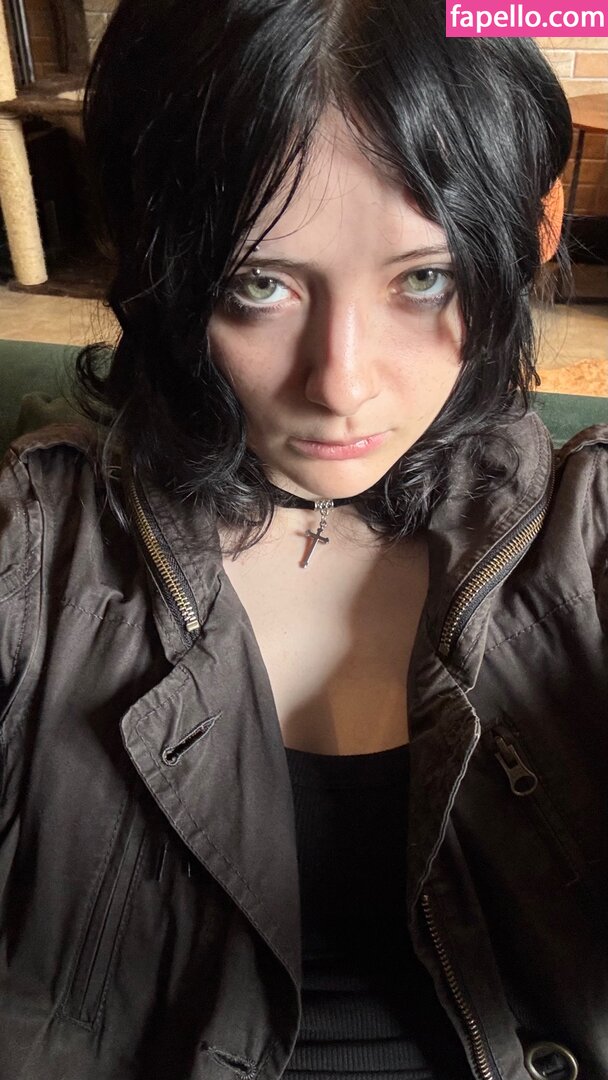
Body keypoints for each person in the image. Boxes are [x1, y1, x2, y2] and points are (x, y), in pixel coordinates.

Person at [0, 1, 606, 1078]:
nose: (341, 384)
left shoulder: (588, 537)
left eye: (423, 277)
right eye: (259, 283)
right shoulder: (35, 557)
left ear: (529, 236)